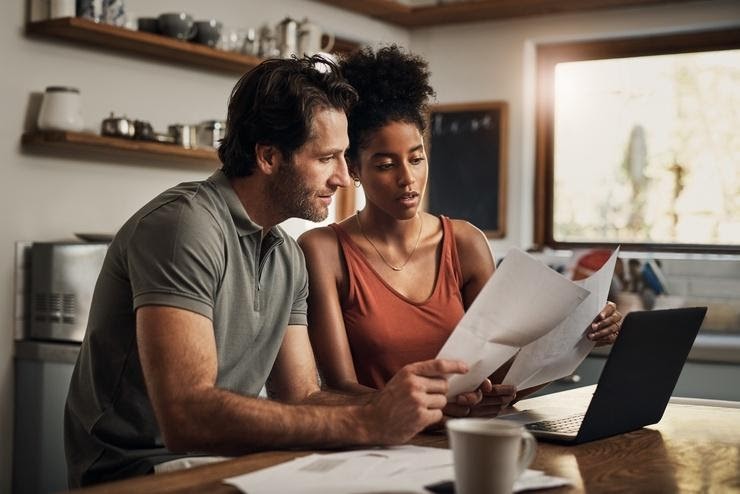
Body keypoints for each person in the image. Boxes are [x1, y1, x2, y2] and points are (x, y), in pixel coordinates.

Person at [64, 56, 476, 487]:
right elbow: (186, 417)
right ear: (268, 156)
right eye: (327, 158)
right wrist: (366, 423)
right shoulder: (185, 227)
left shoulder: (285, 254)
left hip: (225, 462)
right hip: (136, 472)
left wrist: (405, 408)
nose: (343, 178)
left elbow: (302, 397)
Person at [298, 46, 622, 419]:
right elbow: (338, 388)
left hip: (465, 438)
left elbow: (502, 375)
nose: (408, 179)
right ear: (353, 168)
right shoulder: (323, 251)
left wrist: (580, 335)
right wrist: (433, 408)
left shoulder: (465, 243)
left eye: (417, 158)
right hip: (376, 446)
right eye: (386, 164)